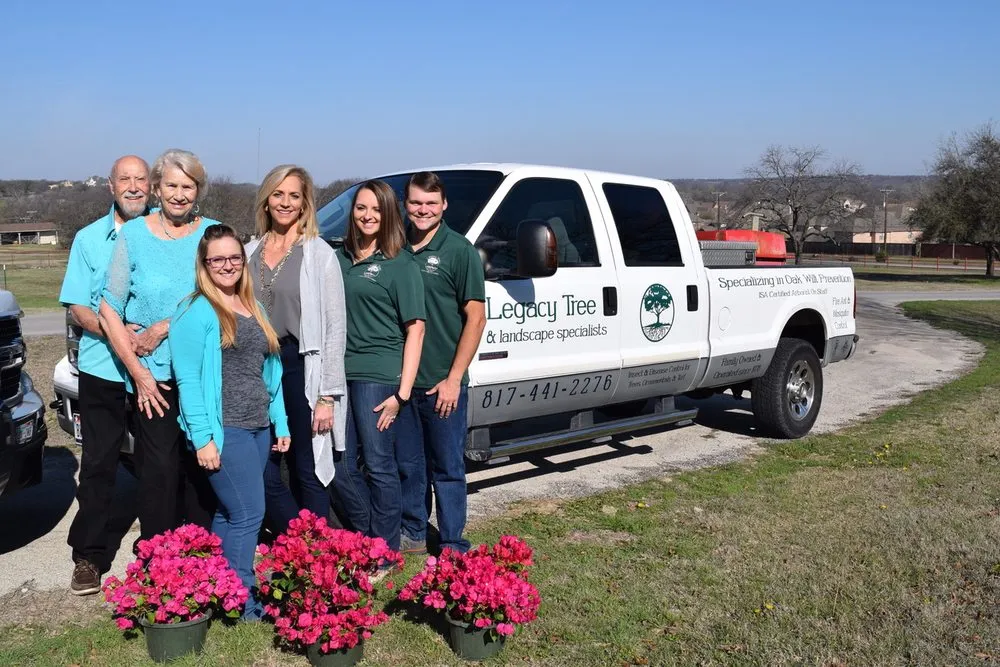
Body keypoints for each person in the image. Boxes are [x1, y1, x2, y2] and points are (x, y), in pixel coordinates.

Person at [169, 223, 291, 621]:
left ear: (243, 260)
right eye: (217, 259)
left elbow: (269, 371)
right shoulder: (195, 310)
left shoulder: (252, 305)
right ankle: (245, 604)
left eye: (234, 257)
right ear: (204, 264)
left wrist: (281, 423)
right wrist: (203, 439)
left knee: (229, 513)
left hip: (257, 428)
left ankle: (220, 591)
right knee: (248, 516)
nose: (227, 265)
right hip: (226, 432)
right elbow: (187, 380)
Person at [100, 148, 219, 543]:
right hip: (154, 378)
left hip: (203, 371)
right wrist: (139, 374)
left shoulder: (212, 234)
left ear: (198, 190)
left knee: (203, 462)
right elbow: (108, 307)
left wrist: (165, 325)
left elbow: (223, 296)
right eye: (171, 185)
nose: (179, 194)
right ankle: (160, 559)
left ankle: (202, 554)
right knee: (160, 469)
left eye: (188, 186)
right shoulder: (133, 235)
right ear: (157, 187)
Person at [63, 155, 151, 595]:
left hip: (155, 372)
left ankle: (161, 550)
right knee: (98, 464)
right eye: (125, 179)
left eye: (141, 179)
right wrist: (120, 335)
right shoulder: (87, 239)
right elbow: (79, 308)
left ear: (151, 185)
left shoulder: (163, 233)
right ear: (111, 186)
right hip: (103, 370)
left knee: (160, 464)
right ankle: (89, 556)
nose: (133, 186)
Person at [245, 165, 348, 533]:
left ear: (305, 204)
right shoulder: (248, 251)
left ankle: (316, 551)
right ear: (266, 199)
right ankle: (293, 538)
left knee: (307, 464)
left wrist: (326, 396)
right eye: (278, 194)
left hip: (299, 366)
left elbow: (336, 329)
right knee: (263, 460)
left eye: (294, 196)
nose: (285, 203)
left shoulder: (319, 255)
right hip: (255, 368)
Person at [334, 180, 425, 558]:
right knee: (340, 464)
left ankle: (384, 549)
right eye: (361, 208)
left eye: (376, 209)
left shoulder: (399, 263)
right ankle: (369, 532)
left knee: (378, 463)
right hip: (339, 372)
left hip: (378, 375)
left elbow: (415, 329)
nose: (368, 216)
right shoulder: (338, 258)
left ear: (388, 214)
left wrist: (401, 395)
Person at [400, 172, 486, 554]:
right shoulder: (395, 245)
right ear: (406, 203)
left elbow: (476, 317)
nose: (423, 210)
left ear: (444, 205)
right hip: (401, 381)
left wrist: (454, 379)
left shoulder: (458, 250)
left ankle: (452, 541)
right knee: (410, 467)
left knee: (447, 468)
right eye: (416, 202)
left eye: (431, 204)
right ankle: (414, 532)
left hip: (441, 381)